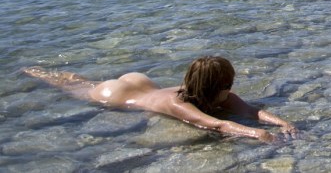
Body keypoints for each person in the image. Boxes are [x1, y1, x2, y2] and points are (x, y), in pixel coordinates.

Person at [23, 56, 297, 143]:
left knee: (80, 81)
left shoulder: (221, 95)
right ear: (220, 86)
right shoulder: (178, 104)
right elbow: (217, 125)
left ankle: (49, 72)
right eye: (229, 84)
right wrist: (258, 134)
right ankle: (32, 71)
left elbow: (252, 112)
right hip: (117, 95)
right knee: (75, 86)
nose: (232, 87)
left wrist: (283, 123)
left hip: (144, 84)